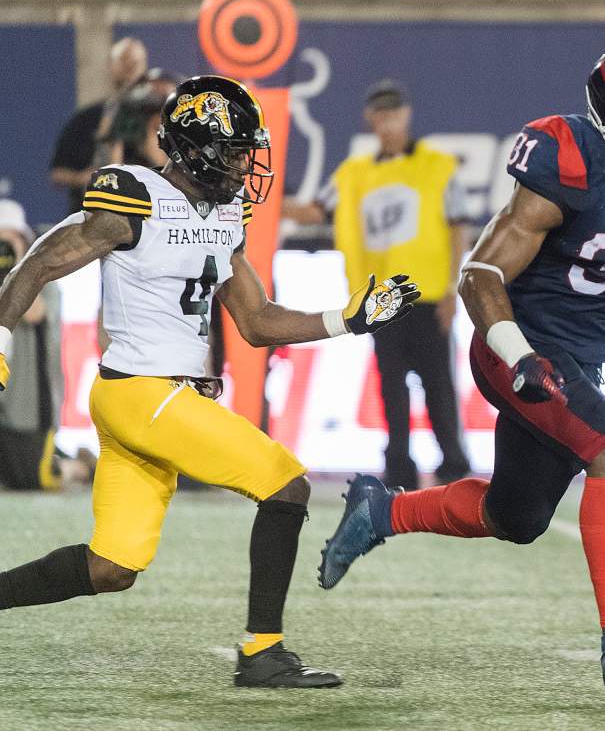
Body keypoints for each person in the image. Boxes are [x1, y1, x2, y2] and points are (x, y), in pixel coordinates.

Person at [318, 39, 605, 697]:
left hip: (583, 358)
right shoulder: (570, 159)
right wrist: (522, 360)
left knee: (515, 517)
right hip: (516, 345)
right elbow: (482, 274)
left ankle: (382, 513)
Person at [0, 75, 421, 688]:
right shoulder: (134, 196)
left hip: (155, 398)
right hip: (142, 391)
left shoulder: (226, 211)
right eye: (237, 148)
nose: (248, 161)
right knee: (286, 485)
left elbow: (257, 321)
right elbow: (40, 260)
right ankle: (263, 651)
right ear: (198, 148)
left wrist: (349, 318)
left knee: (111, 566)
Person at [284, 80, 472, 490]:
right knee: (391, 387)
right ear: (371, 120)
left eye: (394, 114)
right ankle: (400, 467)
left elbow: (459, 227)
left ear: (406, 115)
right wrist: (262, 201)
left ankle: (453, 465)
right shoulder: (354, 174)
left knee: (438, 384)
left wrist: (453, 291)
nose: (388, 123)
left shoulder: (438, 166)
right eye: (380, 115)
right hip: (380, 299)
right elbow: (315, 210)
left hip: (427, 294)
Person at [0, 197, 62, 490]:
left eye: (9, 241)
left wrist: (11, 266)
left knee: (35, 479)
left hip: (28, 411)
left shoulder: (44, 281)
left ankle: (78, 466)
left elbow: (34, 312)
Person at [49, 38, 147, 212]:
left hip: (142, 214)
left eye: (135, 63)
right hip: (90, 214)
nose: (130, 69)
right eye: (124, 61)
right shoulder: (86, 118)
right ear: (111, 66)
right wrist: (82, 177)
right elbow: (57, 173)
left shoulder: (155, 118)